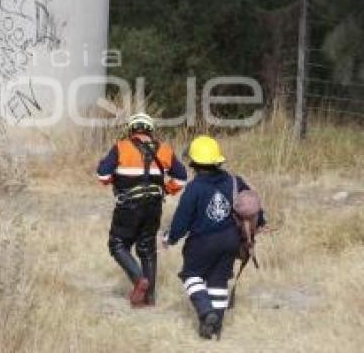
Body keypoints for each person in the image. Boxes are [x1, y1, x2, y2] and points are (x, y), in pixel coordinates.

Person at [163, 135, 266, 339]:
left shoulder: (194, 188)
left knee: (191, 275)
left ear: (194, 162)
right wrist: (260, 222)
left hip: (202, 242)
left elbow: (182, 220)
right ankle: (214, 328)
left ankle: (205, 310)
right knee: (218, 282)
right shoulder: (234, 181)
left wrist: (171, 237)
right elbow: (252, 205)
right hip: (230, 241)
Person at [96, 113, 188, 307]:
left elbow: (103, 176)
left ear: (131, 130)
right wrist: (165, 189)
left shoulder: (120, 147)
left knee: (118, 244)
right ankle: (149, 299)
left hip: (128, 206)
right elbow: (181, 178)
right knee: (147, 249)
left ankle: (139, 280)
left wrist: (116, 178)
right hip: (154, 207)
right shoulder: (164, 149)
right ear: (150, 131)